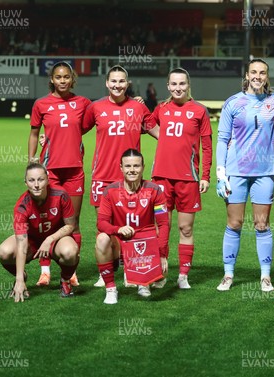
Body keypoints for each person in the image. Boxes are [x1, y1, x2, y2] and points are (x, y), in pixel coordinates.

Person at [82, 65, 159, 287]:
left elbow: (159, 135)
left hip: (130, 178)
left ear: (128, 83)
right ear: (107, 83)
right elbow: (74, 131)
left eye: (121, 81)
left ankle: (130, 269)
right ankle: (106, 271)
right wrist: (46, 139)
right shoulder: (95, 107)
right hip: (102, 176)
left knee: (131, 225)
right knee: (104, 227)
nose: (117, 85)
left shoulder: (138, 108)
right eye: (113, 81)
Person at [215, 58, 274, 292]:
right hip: (236, 172)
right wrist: (220, 173)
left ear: (267, 76)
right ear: (247, 75)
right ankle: (228, 274)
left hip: (264, 173)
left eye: (262, 72)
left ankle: (265, 276)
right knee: (234, 223)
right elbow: (223, 139)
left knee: (262, 224)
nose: (257, 76)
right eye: (253, 72)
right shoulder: (233, 102)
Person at [28, 61, 90, 288]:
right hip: (50, 171)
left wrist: (139, 101)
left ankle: (70, 271)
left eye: (66, 77)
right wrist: (32, 158)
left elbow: (101, 114)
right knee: (47, 222)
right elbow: (34, 133)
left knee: (73, 223)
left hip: (74, 171)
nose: (62, 80)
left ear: (72, 79)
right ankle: (45, 271)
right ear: (52, 79)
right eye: (58, 77)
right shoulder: (41, 104)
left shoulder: (83, 103)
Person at [150, 68, 212, 289]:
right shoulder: (161, 109)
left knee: (185, 229)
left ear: (188, 85)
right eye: (174, 84)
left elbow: (206, 145)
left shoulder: (199, 111)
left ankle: (183, 275)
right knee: (161, 227)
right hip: (161, 180)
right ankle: (159, 272)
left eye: (182, 84)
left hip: (188, 179)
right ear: (168, 86)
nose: (178, 88)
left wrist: (205, 175)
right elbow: (146, 123)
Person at [95, 149, 169, 304]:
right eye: (128, 166)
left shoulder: (154, 190)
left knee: (156, 279)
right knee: (102, 238)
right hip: (120, 242)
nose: (132, 170)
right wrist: (118, 229)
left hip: (145, 243)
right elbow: (101, 223)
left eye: (136, 166)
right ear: (121, 168)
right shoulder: (110, 191)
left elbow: (163, 224)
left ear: (143, 167)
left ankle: (144, 282)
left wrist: (162, 254)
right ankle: (111, 289)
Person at [0, 163, 79, 302]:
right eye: (31, 180)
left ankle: (65, 280)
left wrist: (49, 239)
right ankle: (22, 278)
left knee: (70, 251)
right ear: (25, 182)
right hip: (32, 242)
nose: (36, 184)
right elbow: (22, 244)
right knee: (4, 252)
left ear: (48, 180)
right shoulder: (22, 206)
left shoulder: (61, 195)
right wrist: (19, 279)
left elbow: (71, 226)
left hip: (56, 241)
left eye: (40, 179)